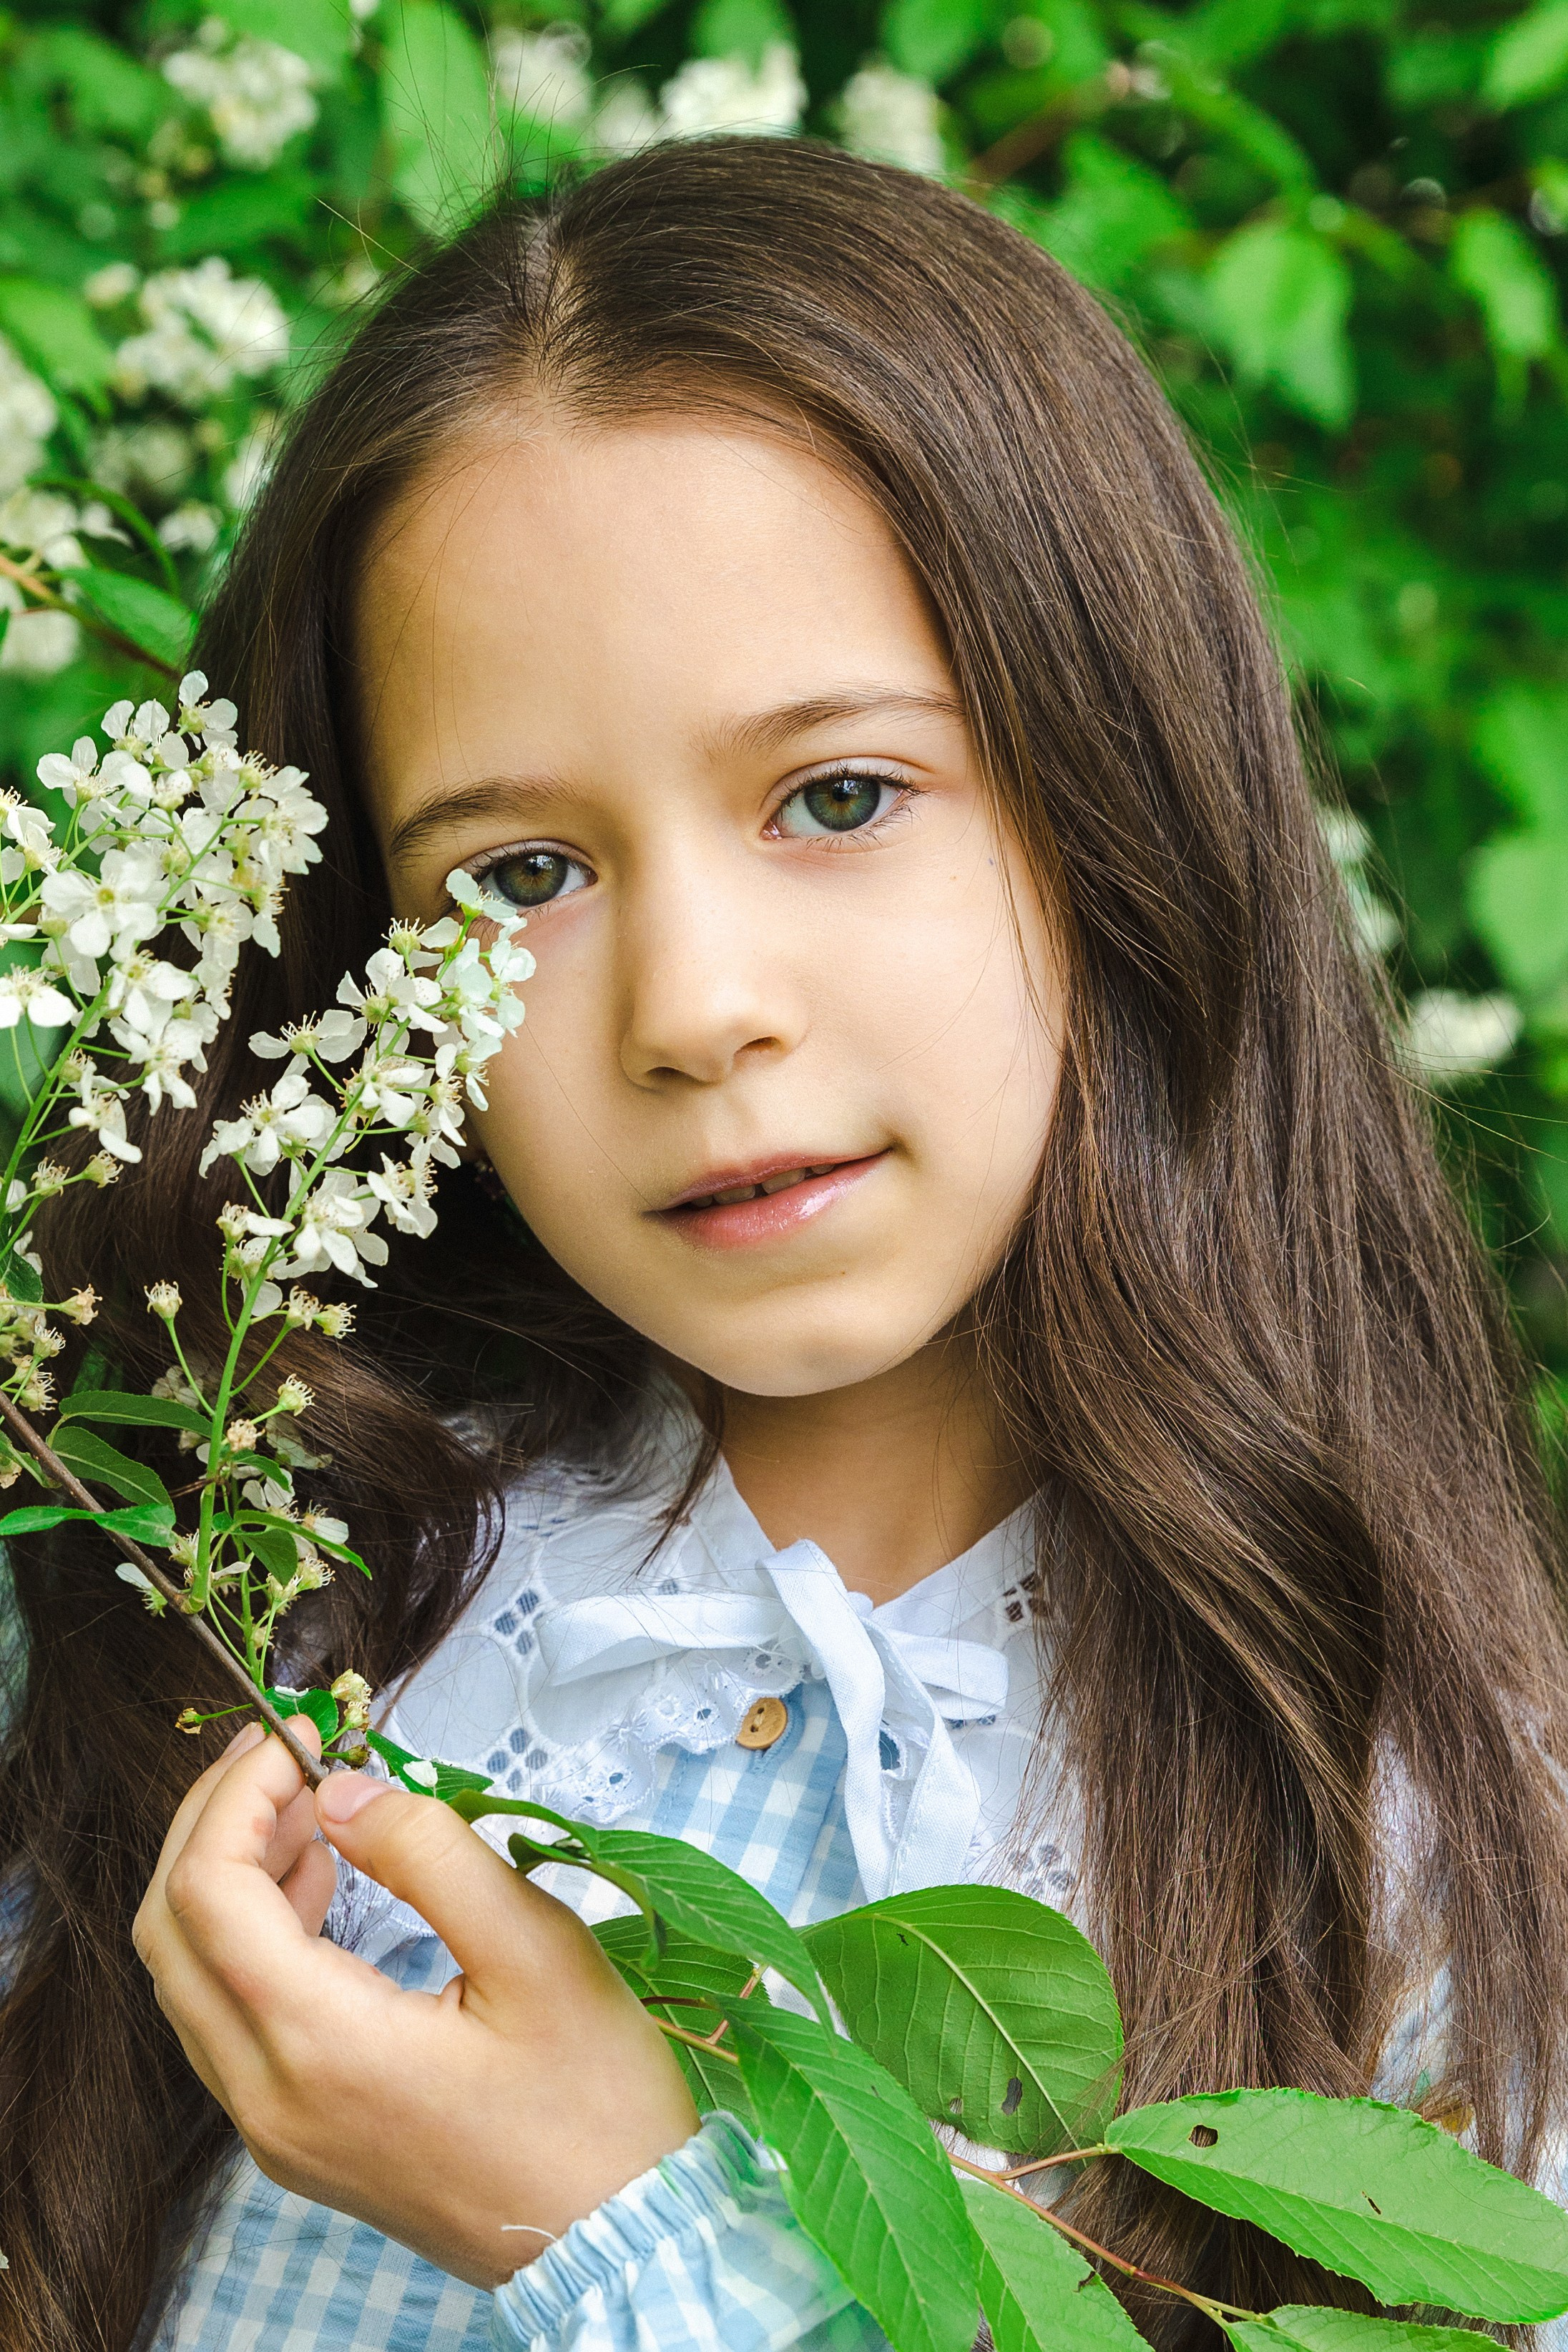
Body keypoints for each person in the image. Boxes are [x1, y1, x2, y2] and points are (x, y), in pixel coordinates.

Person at [3, 136, 1567, 2352]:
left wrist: (625, 2244)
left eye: (838, 797)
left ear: (1118, 798)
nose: (693, 1009)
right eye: (517, 876)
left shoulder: (1432, 1839)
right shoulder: (232, 1594)